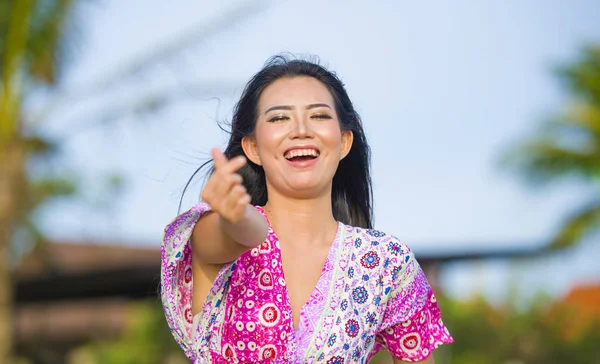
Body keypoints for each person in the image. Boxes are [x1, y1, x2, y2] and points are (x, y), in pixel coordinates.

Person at [161, 55, 453, 363]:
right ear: (253, 148)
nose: (301, 130)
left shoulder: (387, 261)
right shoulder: (212, 229)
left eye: (318, 116)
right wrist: (236, 214)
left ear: (343, 141)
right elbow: (239, 233)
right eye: (279, 118)